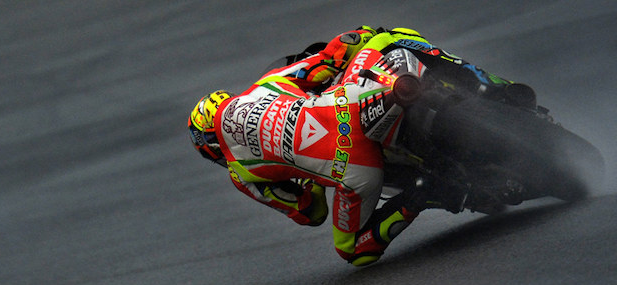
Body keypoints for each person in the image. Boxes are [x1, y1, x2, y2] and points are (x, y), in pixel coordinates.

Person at [187, 26, 522, 266]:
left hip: (352, 165)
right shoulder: (264, 86)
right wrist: (358, 37)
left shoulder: (240, 172)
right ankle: (487, 84)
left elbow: (310, 213)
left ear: (213, 148)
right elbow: (328, 59)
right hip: (349, 100)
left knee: (352, 250)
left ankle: (422, 192)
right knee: (388, 38)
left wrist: (308, 180)